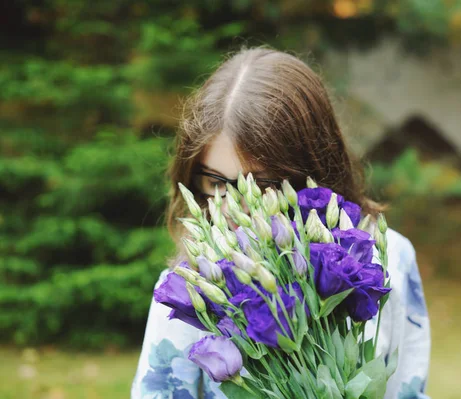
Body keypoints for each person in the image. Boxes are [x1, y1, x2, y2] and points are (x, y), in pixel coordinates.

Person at [131, 48, 430, 399]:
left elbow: (407, 390)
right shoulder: (193, 291)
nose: (234, 208)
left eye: (262, 186)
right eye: (215, 183)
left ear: (312, 171)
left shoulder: (388, 256)